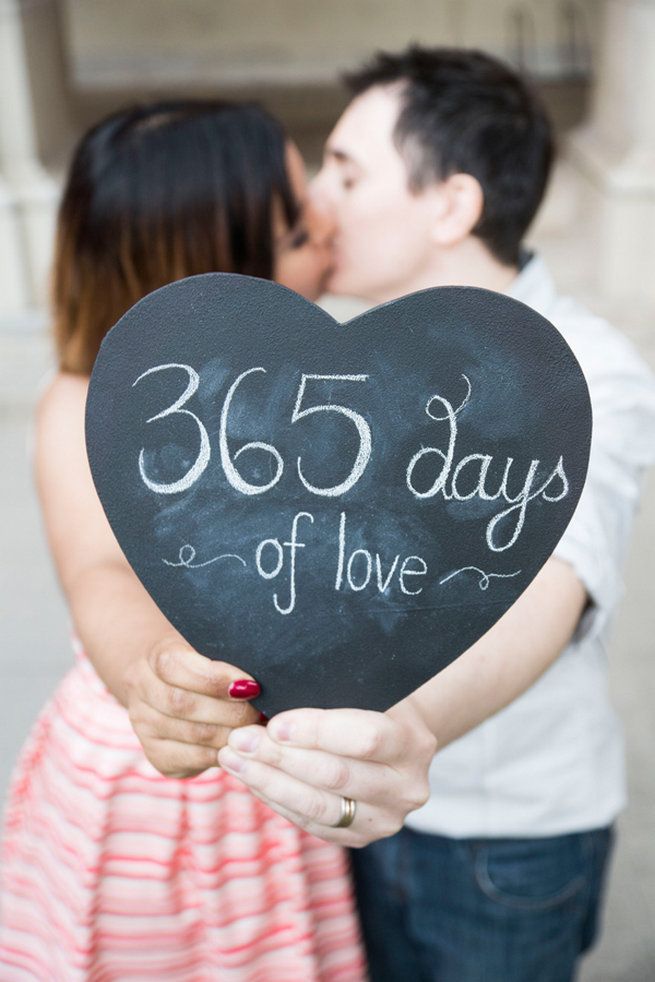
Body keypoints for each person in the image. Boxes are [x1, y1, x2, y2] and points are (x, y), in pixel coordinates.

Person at [214, 47, 655, 981]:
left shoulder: (586, 368)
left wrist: (408, 730)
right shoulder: (330, 364)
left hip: (503, 840)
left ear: (451, 205)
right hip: (342, 823)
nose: (316, 202)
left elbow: (557, 579)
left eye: (346, 170)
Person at [0, 99, 365, 980]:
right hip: (160, 787)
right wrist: (157, 674)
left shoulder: (322, 389)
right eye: (291, 227)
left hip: (277, 787)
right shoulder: (83, 408)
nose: (325, 218)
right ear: (220, 284)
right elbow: (100, 573)